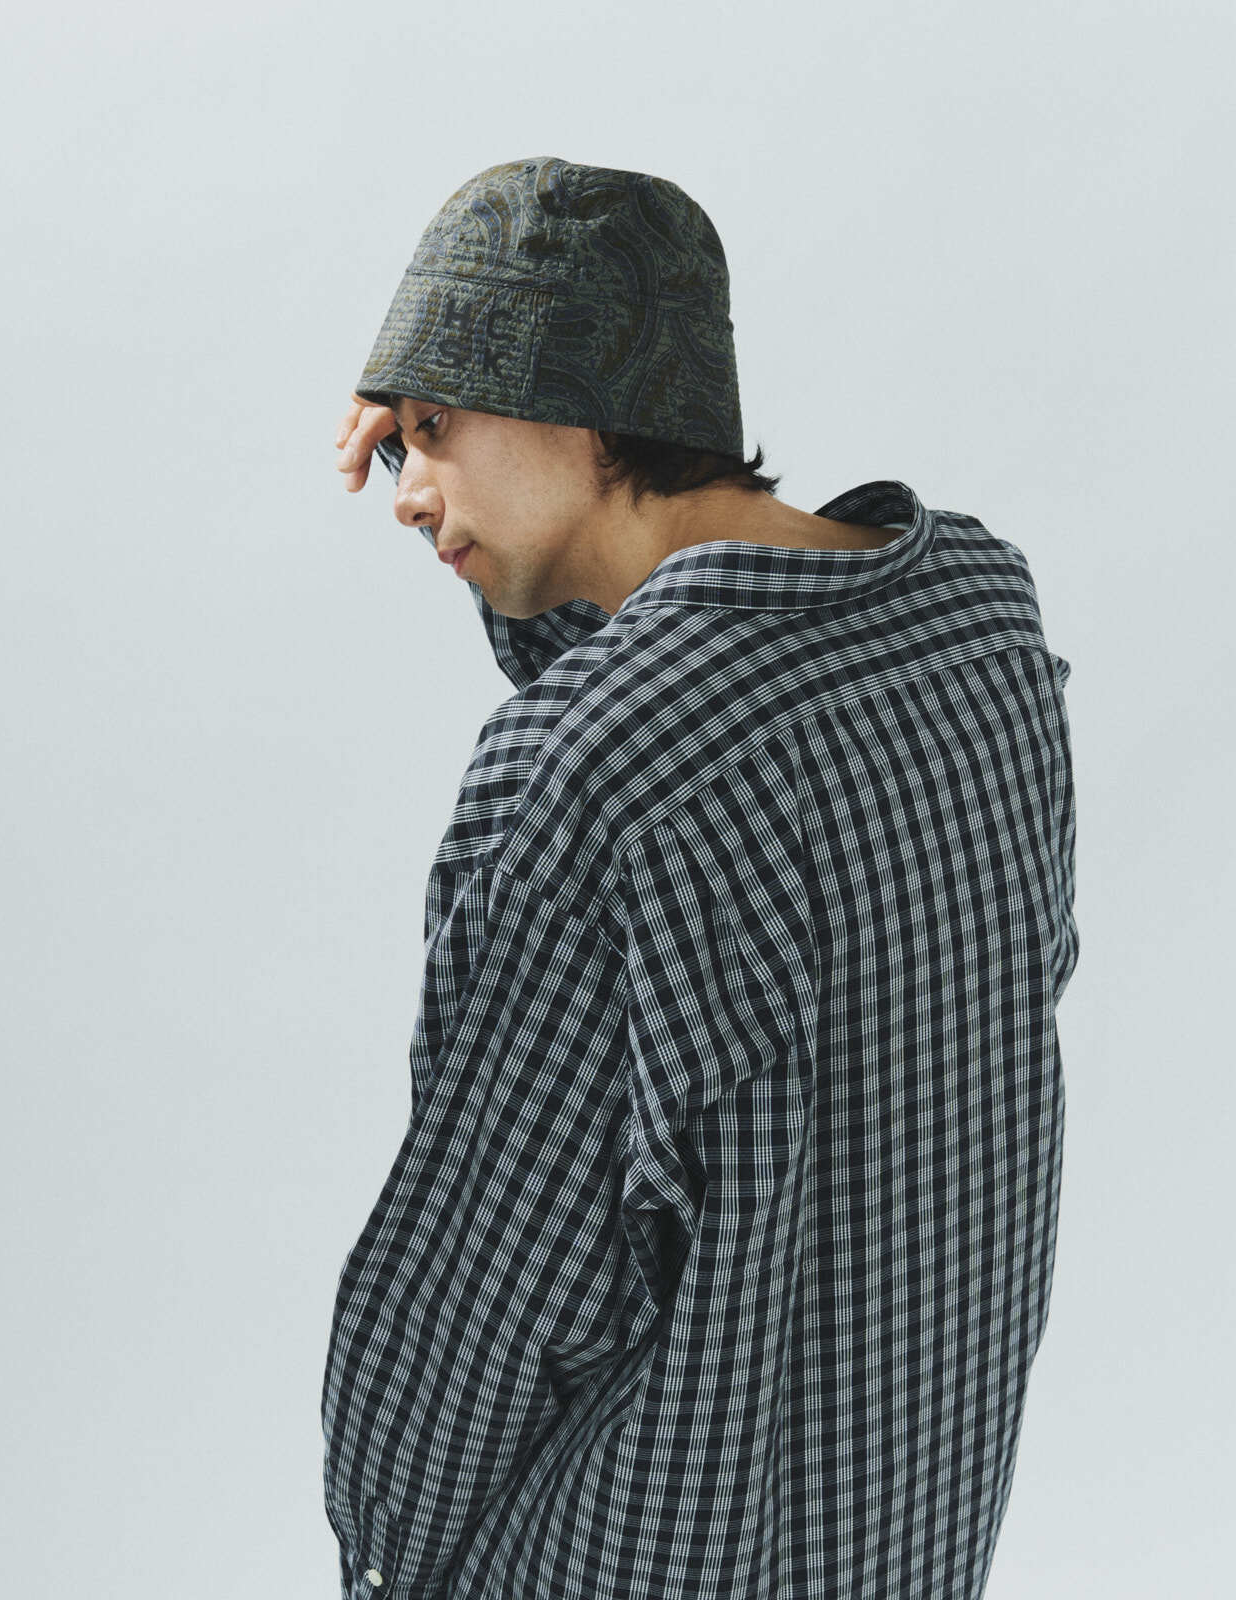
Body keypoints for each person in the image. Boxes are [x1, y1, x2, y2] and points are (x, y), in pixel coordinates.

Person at [321, 156, 1078, 1600]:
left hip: (644, 1553)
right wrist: (470, 463)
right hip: (908, 1521)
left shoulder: (591, 772)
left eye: (434, 429)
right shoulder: (981, 622)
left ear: (576, 402)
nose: (407, 492)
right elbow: (662, 671)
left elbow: (481, 1299)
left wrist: (381, 1562)